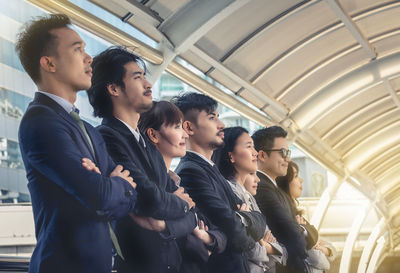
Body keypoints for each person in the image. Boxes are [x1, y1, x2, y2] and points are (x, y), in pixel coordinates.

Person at [15, 14, 138, 273]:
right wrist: (110, 186)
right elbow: (100, 196)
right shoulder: (41, 122)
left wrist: (109, 186)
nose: (89, 57)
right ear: (49, 63)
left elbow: (129, 197)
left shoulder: (90, 131)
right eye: (77, 49)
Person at [87, 47, 196, 273]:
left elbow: (192, 217)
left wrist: (164, 224)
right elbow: (150, 200)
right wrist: (180, 203)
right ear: (114, 88)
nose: (148, 84)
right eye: (138, 77)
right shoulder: (107, 137)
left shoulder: (147, 145)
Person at [174, 93, 265, 273]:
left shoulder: (211, 170)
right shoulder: (190, 171)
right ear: (189, 127)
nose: (221, 125)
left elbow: (260, 222)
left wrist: (239, 218)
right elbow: (232, 231)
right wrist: (243, 219)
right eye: (212, 117)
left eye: (218, 117)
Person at [138, 100, 227, 273]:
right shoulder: (151, 185)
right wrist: (197, 235)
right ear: (154, 135)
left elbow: (218, 235)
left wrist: (203, 236)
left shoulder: (175, 183)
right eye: (177, 127)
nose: (185, 135)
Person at [215, 126, 287, 273]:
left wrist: (263, 243)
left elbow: (281, 250)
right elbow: (248, 248)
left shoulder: (248, 195)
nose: (255, 153)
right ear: (231, 156)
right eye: (249, 147)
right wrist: (266, 247)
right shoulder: (228, 191)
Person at [252, 126, 308, 273]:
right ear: (263, 155)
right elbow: (290, 232)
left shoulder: (277, 189)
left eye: (288, 152)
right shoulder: (261, 187)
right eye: (283, 152)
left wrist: (302, 230)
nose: (288, 158)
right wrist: (302, 230)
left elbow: (304, 232)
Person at [276, 162, 336, 272]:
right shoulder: (290, 219)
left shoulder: (298, 216)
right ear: (285, 183)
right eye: (295, 176)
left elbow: (330, 247)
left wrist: (323, 249)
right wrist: (322, 249)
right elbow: (320, 261)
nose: (301, 180)